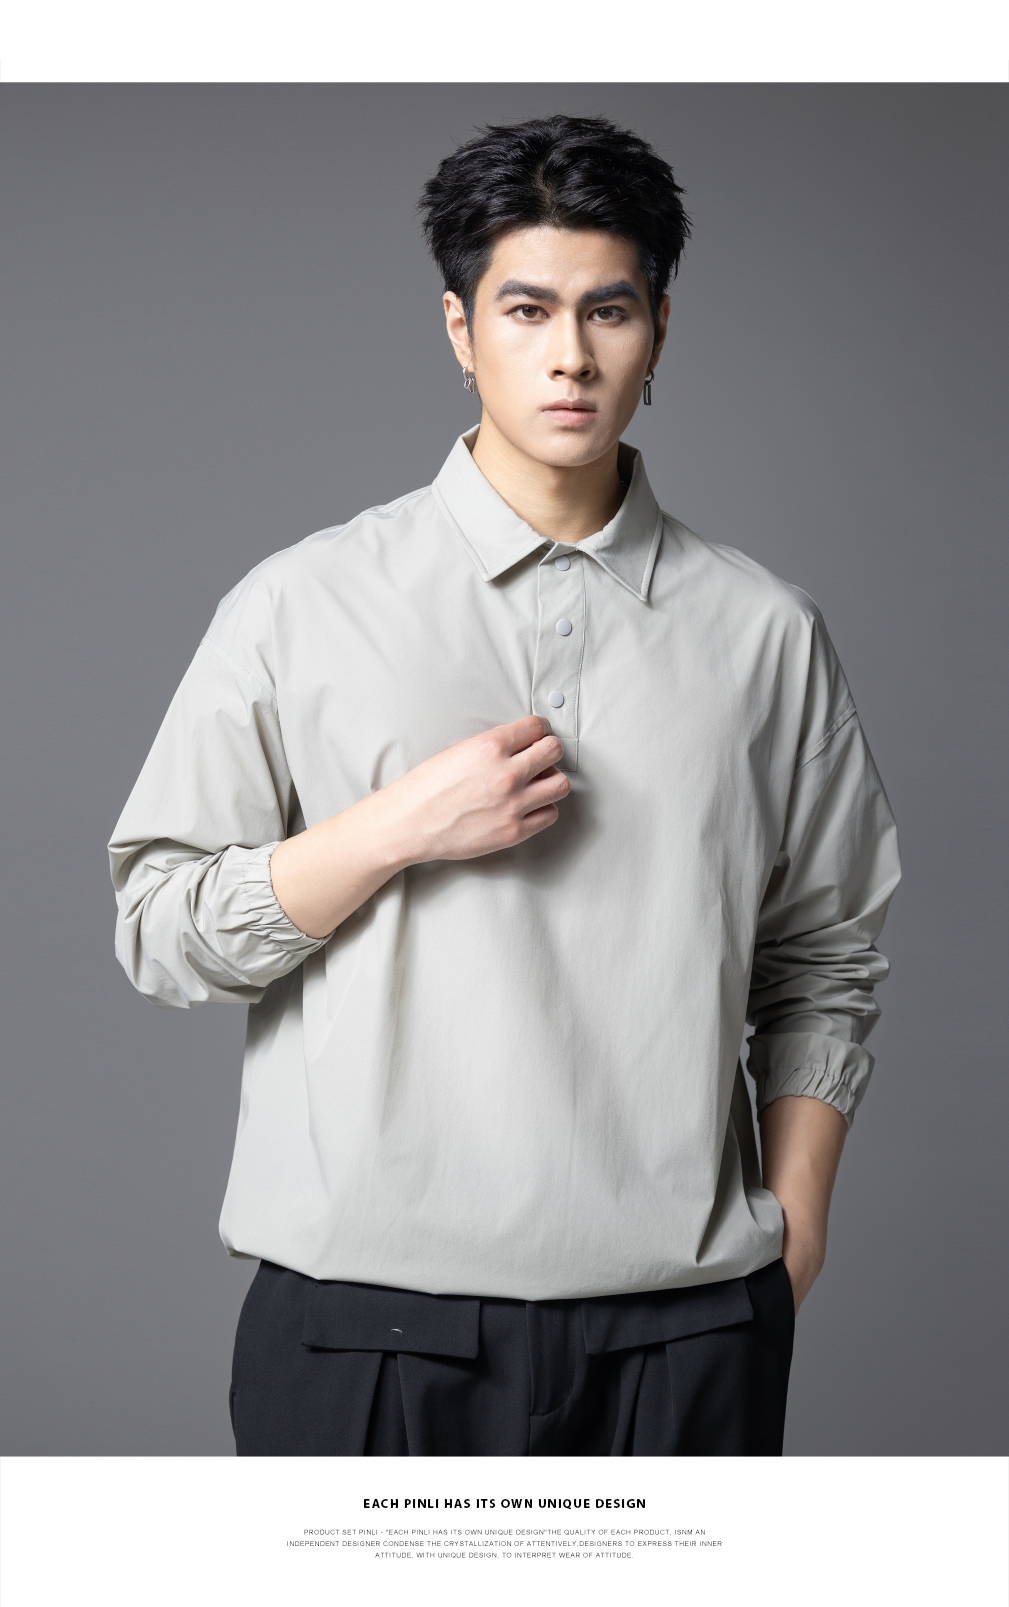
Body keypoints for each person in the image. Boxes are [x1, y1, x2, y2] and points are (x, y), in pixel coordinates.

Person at [108, 114, 901, 1457]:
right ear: (460, 329)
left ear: (658, 330)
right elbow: (159, 932)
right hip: (363, 1329)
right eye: (526, 309)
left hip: (685, 1328)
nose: (570, 355)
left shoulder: (765, 631)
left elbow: (824, 953)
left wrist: (797, 1222)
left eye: (609, 311)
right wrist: (389, 831)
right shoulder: (300, 604)